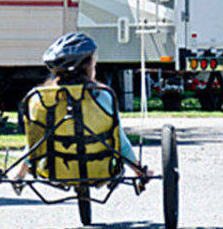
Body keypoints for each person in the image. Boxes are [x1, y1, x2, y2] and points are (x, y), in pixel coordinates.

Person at [9, 32, 148, 185]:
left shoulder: (41, 101)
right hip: (99, 169)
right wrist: (138, 170)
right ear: (88, 66)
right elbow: (119, 140)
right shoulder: (103, 97)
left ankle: (19, 174)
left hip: (55, 170)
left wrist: (20, 173)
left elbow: (36, 141)